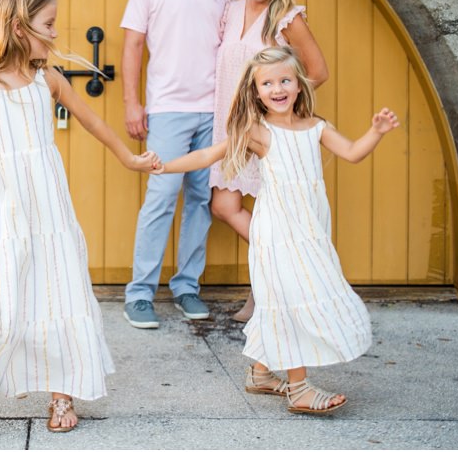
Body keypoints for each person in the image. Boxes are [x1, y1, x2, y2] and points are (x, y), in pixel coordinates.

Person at [0, 0, 162, 450]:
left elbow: (93, 123)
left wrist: (129, 159)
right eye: (48, 25)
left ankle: (62, 396)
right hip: (5, 216)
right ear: (18, 26)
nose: (54, 33)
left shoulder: (46, 80)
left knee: (61, 293)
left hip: (51, 210)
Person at [157, 46, 399, 414]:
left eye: (284, 80)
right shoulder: (259, 131)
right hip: (276, 230)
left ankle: (260, 374)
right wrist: (164, 166)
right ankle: (298, 387)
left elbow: (351, 152)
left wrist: (376, 131)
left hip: (310, 228)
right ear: (256, 92)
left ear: (299, 85)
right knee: (290, 299)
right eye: (267, 83)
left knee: (280, 299)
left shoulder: (315, 127)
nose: (277, 88)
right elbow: (208, 155)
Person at [121, 0, 237, 327]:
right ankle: (139, 294)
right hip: (168, 108)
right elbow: (133, 45)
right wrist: (134, 103)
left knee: (201, 201)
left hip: (214, 111)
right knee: (160, 199)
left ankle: (187, 286)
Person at [211, 0, 329, 322]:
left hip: (263, 130)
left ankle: (270, 288)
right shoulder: (231, 10)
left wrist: (279, 106)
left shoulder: (286, 18)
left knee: (259, 212)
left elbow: (317, 71)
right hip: (228, 124)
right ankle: (270, 288)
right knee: (225, 206)